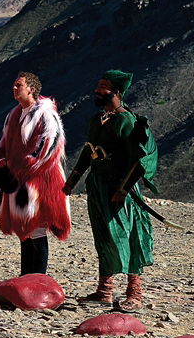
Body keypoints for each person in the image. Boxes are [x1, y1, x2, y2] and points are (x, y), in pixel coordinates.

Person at [63, 70, 155, 312]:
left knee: (127, 235)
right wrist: (72, 180)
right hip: (98, 186)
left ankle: (134, 292)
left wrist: (124, 190)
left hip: (119, 188)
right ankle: (104, 291)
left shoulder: (127, 121)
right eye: (98, 84)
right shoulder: (97, 120)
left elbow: (138, 160)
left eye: (103, 86)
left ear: (116, 92)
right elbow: (88, 151)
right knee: (104, 236)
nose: (97, 89)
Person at [0, 72, 71, 277]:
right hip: (20, 179)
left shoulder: (45, 114)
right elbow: (4, 143)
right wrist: (2, 161)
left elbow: (47, 147)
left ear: (31, 89)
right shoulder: (14, 114)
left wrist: (20, 164)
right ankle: (26, 277)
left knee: (36, 229)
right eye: (14, 85)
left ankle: (38, 280)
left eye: (18, 85)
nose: (14, 88)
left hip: (39, 181)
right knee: (25, 230)